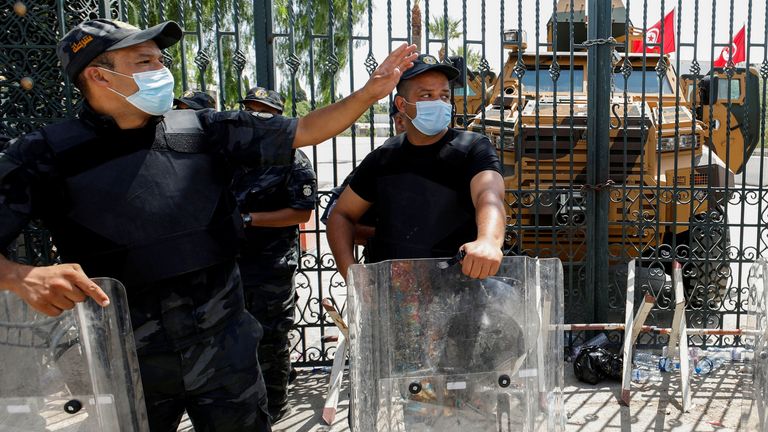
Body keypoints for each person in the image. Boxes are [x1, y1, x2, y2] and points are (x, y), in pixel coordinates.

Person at [0, 18, 417, 432]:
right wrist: (20, 275)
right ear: (98, 75)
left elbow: (305, 129)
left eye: (160, 60)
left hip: (223, 349)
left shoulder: (204, 129)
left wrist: (368, 94)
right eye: (144, 61)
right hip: (126, 362)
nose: (161, 71)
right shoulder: (43, 154)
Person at [328, 54, 506, 281]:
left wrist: (488, 241)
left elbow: (489, 196)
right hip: (396, 296)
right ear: (402, 105)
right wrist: (353, 276)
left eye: (444, 96)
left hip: (460, 289)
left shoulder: (472, 148)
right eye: (427, 96)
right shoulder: (383, 158)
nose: (439, 103)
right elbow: (341, 215)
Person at [233, 86, 317, 422]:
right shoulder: (234, 152)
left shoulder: (293, 156)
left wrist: (249, 219)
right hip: (231, 261)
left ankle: (275, 406)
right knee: (235, 334)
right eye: (250, 110)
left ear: (278, 118)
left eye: (263, 112)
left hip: (271, 263)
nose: (255, 117)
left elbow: (301, 213)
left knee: (271, 335)